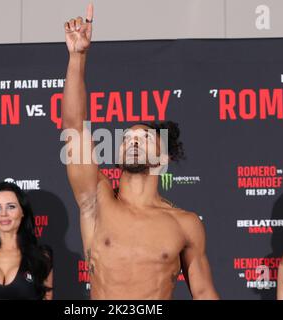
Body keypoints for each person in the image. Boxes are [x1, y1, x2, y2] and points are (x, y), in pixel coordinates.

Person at [61, 4, 218, 299]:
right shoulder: (96, 199)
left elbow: (204, 292)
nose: (133, 141)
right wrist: (77, 57)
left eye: (145, 137)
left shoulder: (185, 223)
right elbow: (74, 130)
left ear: (164, 157)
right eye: (127, 138)